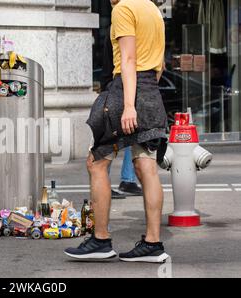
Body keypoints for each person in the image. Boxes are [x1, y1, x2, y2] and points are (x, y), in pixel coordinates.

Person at [65, 0, 170, 263]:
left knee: (97, 163)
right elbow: (160, 65)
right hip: (150, 91)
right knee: (146, 166)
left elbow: (129, 58)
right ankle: (153, 244)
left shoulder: (123, 9)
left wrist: (129, 105)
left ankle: (100, 239)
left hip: (126, 90)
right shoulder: (152, 9)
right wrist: (145, 99)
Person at [100, 25, 143, 199]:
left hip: (120, 85)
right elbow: (116, 61)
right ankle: (110, 182)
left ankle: (127, 179)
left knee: (129, 133)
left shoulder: (126, 24)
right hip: (116, 85)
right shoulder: (120, 24)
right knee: (110, 137)